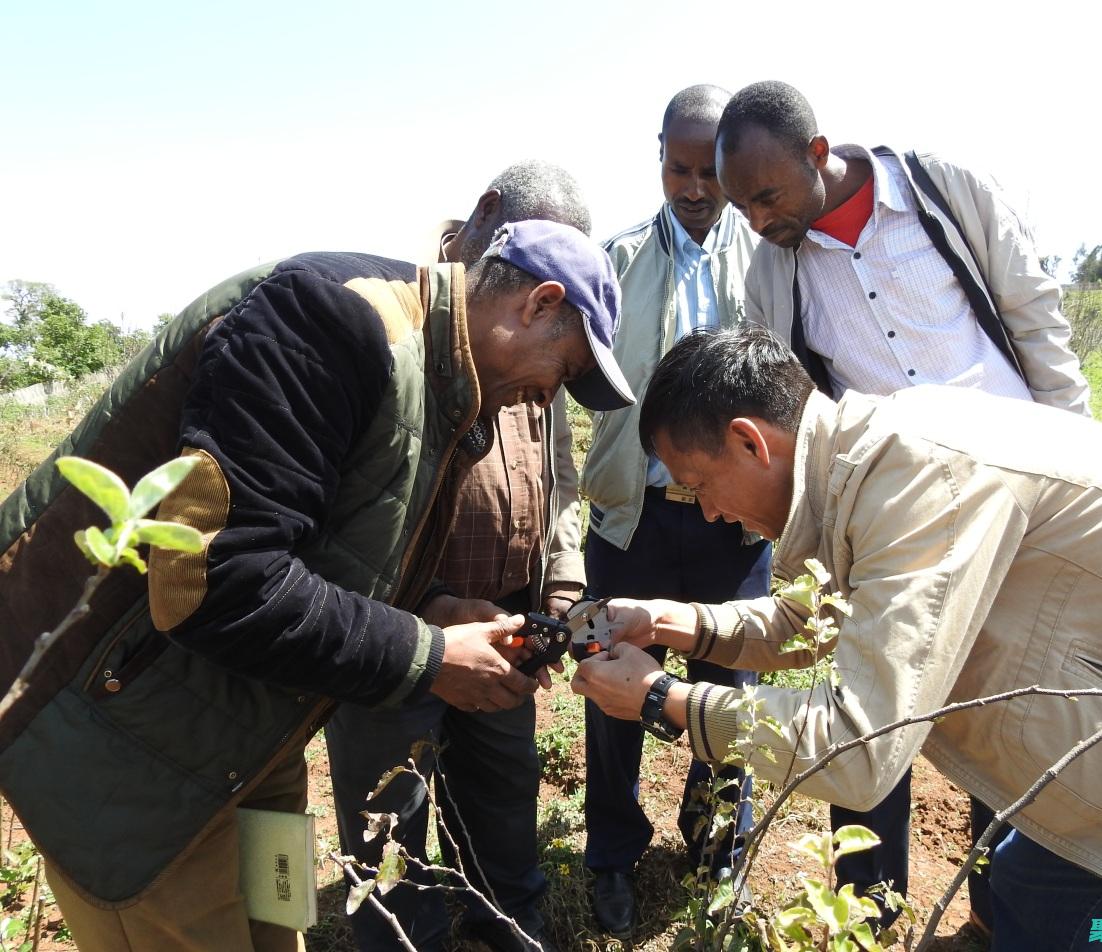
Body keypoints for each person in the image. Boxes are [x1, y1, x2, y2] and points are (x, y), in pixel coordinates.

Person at [0, 220, 634, 952]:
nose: (543, 401)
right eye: (563, 369)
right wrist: (428, 654)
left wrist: (430, 607)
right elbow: (215, 581)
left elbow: (303, 546)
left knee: (279, 928)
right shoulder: (325, 319)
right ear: (536, 303)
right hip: (126, 740)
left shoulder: (434, 377)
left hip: (242, 728)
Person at [573, 325, 1102, 952]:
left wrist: (661, 696)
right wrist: (667, 620)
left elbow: (859, 748)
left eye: (699, 485)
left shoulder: (917, 476)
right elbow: (810, 623)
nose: (714, 513)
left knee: (1071, 919)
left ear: (751, 441)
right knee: (1030, 887)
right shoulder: (866, 458)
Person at [714, 79, 1093, 924]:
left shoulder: (944, 191)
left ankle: (1004, 905)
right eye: (742, 204)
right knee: (869, 709)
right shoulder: (772, 268)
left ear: (819, 154)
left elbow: (1034, 318)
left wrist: (1078, 452)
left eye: (767, 196)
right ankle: (867, 914)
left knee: (1012, 705)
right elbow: (791, 404)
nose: (757, 220)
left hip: (1018, 494)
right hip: (892, 519)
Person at [324, 161, 590, 952]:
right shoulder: (395, 319)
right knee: (388, 815)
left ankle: (510, 926)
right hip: (396, 621)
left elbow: (560, 474)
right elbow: (348, 510)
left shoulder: (547, 327)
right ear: (487, 217)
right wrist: (429, 605)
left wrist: (563, 587)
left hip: (506, 618)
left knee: (503, 797)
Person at [577, 85, 768, 939]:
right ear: (659, 156)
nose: (693, 189)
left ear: (731, 170)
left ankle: (712, 844)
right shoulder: (614, 261)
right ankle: (612, 853)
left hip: (731, 518)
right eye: (677, 168)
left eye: (708, 173)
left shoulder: (765, 262)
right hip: (632, 516)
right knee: (611, 682)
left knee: (731, 678)